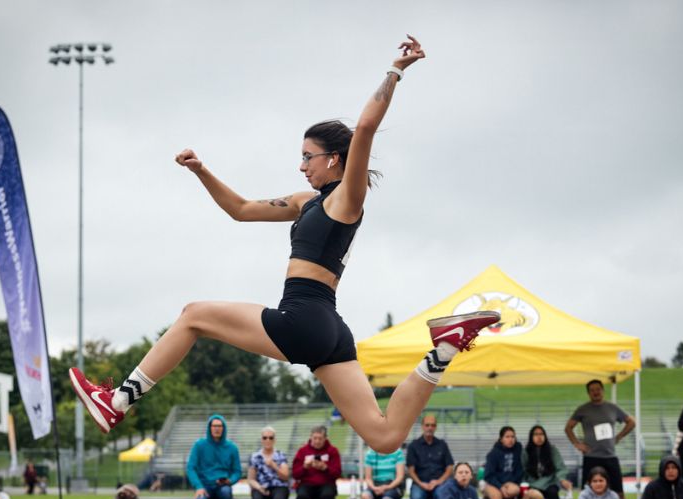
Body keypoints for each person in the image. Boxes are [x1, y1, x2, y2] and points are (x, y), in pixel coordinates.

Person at [68, 35, 501, 456]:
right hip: (330, 329)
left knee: (193, 315)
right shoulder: (305, 202)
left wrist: (395, 70)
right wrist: (202, 171)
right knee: (384, 438)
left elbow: (366, 126)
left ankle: (118, 402)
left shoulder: (346, 198)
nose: (300, 165)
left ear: (333, 157)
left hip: (305, 317)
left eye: (307, 156)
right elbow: (239, 209)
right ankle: (443, 349)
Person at [564, 379, 635, 499]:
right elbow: (568, 428)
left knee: (619, 493)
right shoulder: (583, 409)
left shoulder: (612, 408)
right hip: (591, 457)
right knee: (587, 493)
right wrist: (577, 444)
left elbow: (631, 422)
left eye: (598, 389)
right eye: (592, 390)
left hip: (610, 456)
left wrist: (618, 437)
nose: (595, 392)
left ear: (603, 390)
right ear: (588, 393)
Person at [186, 414, 241, 499]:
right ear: (209, 428)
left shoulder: (232, 448)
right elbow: (191, 468)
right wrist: (198, 486)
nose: (217, 428)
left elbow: (237, 471)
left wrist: (229, 481)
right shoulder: (199, 445)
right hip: (204, 485)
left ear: (224, 428)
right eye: (214, 426)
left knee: (226, 492)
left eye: (220, 426)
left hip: (222, 485)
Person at [405, 414, 454, 499]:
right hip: (420, 482)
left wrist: (438, 482)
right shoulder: (413, 446)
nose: (430, 428)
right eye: (427, 425)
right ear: (422, 426)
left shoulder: (442, 445)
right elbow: (411, 470)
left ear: (436, 427)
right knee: (416, 498)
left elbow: (450, 467)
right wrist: (421, 483)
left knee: (442, 496)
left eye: (432, 425)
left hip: (439, 483)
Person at [292, 425, 341, 499]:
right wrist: (304, 467)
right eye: (315, 438)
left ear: (325, 438)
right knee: (302, 497)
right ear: (311, 437)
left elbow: (337, 473)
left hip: (326, 483)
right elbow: (295, 474)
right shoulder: (302, 451)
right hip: (306, 484)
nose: (317, 441)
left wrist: (325, 468)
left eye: (320, 438)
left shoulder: (332, 451)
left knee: (327, 496)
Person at [247, 425, 290, 499]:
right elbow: (251, 479)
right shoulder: (255, 456)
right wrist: (259, 488)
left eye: (271, 438)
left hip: (279, 485)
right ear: (261, 439)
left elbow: (286, 477)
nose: (268, 440)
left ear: (274, 440)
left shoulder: (281, 455)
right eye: (265, 437)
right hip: (260, 485)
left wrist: (274, 466)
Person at [521, 425, 571, 499]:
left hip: (550, 482)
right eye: (536, 434)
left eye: (541, 434)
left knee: (553, 493)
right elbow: (523, 470)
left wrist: (562, 479)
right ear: (531, 437)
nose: (539, 437)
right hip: (533, 483)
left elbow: (560, 467)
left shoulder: (552, 450)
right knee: (535, 497)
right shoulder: (526, 451)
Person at [483, 425, 523, 499]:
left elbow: (520, 470)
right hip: (493, 483)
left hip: (510, 484)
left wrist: (511, 482)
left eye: (513, 437)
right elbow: (488, 475)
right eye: (507, 437)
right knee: (497, 496)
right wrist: (500, 486)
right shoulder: (494, 453)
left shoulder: (518, 451)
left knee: (515, 490)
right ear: (501, 439)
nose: (510, 439)